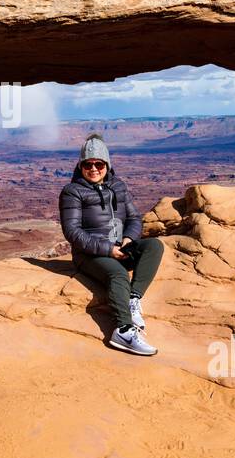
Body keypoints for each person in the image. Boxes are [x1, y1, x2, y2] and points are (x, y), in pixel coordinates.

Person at [58, 133, 164, 357]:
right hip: (90, 255)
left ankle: (133, 299)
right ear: (81, 165)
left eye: (98, 163)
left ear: (107, 164)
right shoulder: (72, 191)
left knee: (154, 246)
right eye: (88, 164)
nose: (93, 168)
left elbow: (134, 218)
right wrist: (108, 250)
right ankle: (123, 330)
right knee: (118, 275)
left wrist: (128, 240)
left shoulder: (118, 186)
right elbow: (72, 232)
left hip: (119, 246)